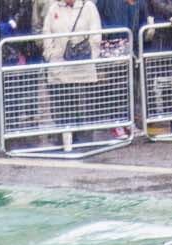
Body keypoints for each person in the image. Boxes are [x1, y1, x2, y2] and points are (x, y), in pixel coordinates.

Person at [40, 0, 102, 150]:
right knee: (61, 104)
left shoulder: (89, 7)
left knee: (85, 105)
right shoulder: (54, 8)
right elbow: (46, 32)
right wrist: (49, 54)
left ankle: (85, 139)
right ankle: (65, 137)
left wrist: (91, 56)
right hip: (59, 66)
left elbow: (96, 35)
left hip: (83, 67)